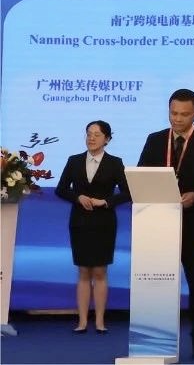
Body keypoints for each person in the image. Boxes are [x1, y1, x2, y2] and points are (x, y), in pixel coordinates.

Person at [137, 88, 194, 360]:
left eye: (184, 114)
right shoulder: (155, 140)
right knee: (155, 283)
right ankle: (155, 337)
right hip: (158, 224)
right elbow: (141, 175)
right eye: (173, 113)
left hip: (193, 224)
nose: (177, 119)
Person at [55, 120, 130, 334]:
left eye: (97, 134)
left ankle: (99, 321)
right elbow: (61, 189)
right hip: (80, 222)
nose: (91, 138)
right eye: (89, 133)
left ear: (107, 139)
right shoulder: (74, 161)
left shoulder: (115, 163)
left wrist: (105, 201)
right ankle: (82, 321)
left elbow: (128, 192)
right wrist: (77, 197)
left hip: (104, 222)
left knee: (99, 271)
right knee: (83, 271)